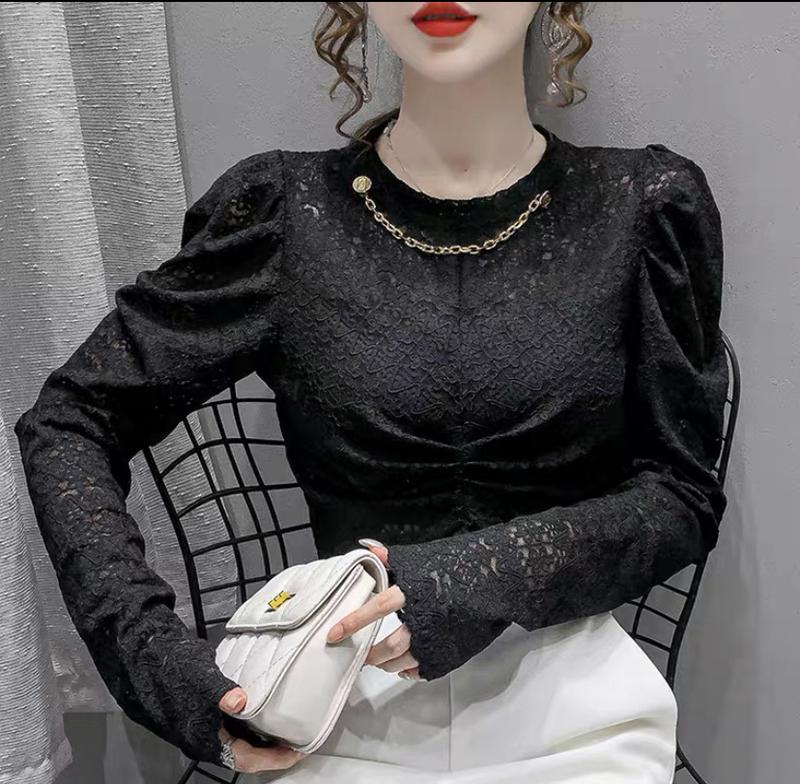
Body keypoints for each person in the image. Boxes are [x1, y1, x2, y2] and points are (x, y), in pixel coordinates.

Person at [14, 2, 729, 782]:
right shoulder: (282, 215)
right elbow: (70, 418)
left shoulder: (642, 205)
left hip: (578, 706)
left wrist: (479, 579)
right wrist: (153, 660)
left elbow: (680, 494)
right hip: (339, 708)